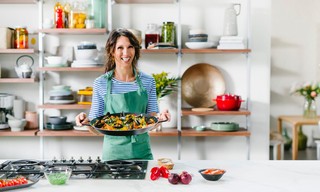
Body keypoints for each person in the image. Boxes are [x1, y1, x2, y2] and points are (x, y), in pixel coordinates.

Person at [75, 28, 170, 161]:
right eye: (120, 47)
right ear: (111, 51)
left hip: (142, 154)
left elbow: (151, 122)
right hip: (112, 155)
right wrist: (86, 122)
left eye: (130, 47)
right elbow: (96, 128)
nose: (126, 53)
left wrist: (161, 118)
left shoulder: (148, 81)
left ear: (135, 50)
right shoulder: (101, 83)